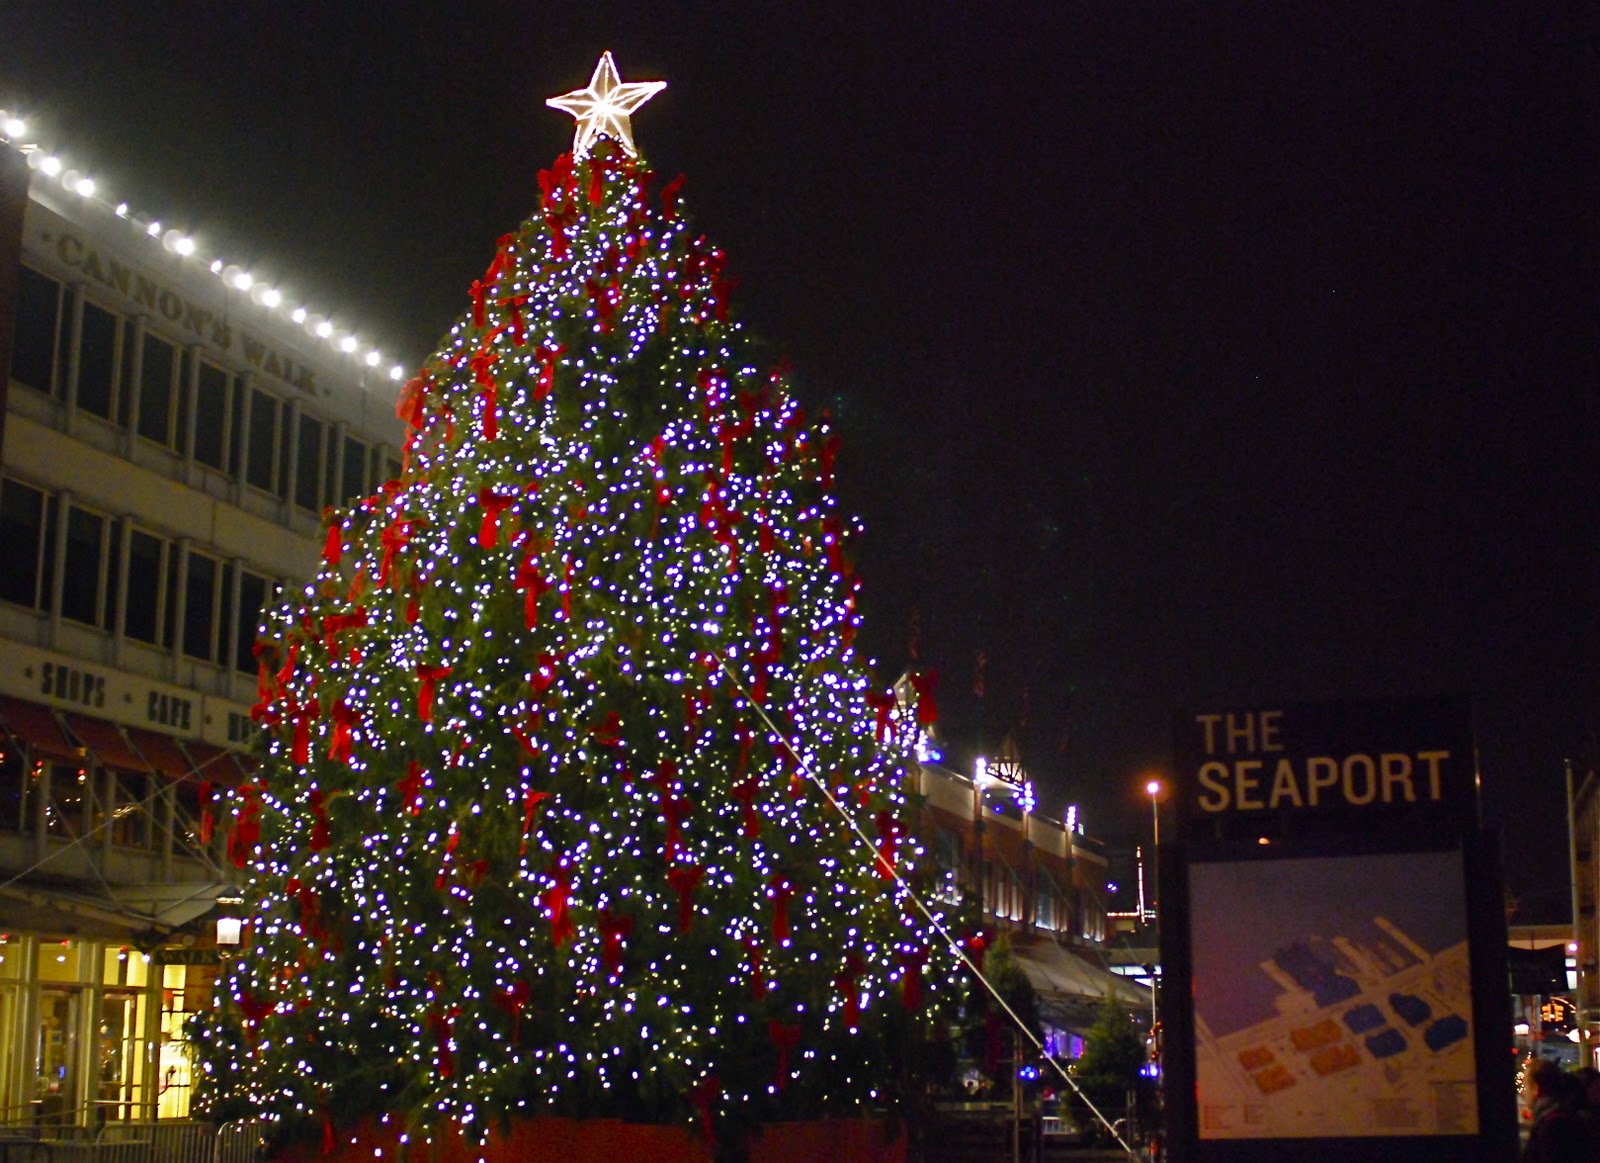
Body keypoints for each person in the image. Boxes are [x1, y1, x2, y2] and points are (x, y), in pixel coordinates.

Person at [1522, 1060, 1587, 1162]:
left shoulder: (1553, 1124)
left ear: (1536, 1088)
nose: (1524, 1093)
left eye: (1526, 1086)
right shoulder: (1564, 1113)